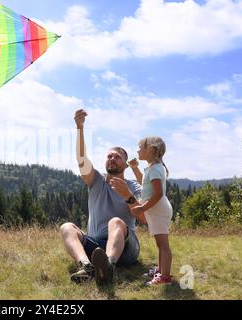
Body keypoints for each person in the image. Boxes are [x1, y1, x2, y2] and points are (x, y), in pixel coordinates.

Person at [60, 109, 143, 286]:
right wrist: (80, 129)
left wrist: (128, 196)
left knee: (116, 222)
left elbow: (144, 218)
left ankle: (108, 267)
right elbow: (81, 160)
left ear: (125, 164)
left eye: (117, 157)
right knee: (66, 227)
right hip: (97, 245)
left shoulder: (134, 187)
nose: (112, 159)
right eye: (109, 156)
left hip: (126, 248)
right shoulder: (96, 180)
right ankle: (87, 266)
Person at [129, 136, 173, 285]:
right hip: (156, 211)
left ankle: (165, 277)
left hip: (158, 211)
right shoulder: (152, 168)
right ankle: (161, 270)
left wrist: (142, 207)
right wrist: (135, 168)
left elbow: (158, 193)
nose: (138, 150)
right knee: (160, 244)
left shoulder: (155, 169)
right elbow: (144, 183)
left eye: (141, 147)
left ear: (152, 150)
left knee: (163, 245)